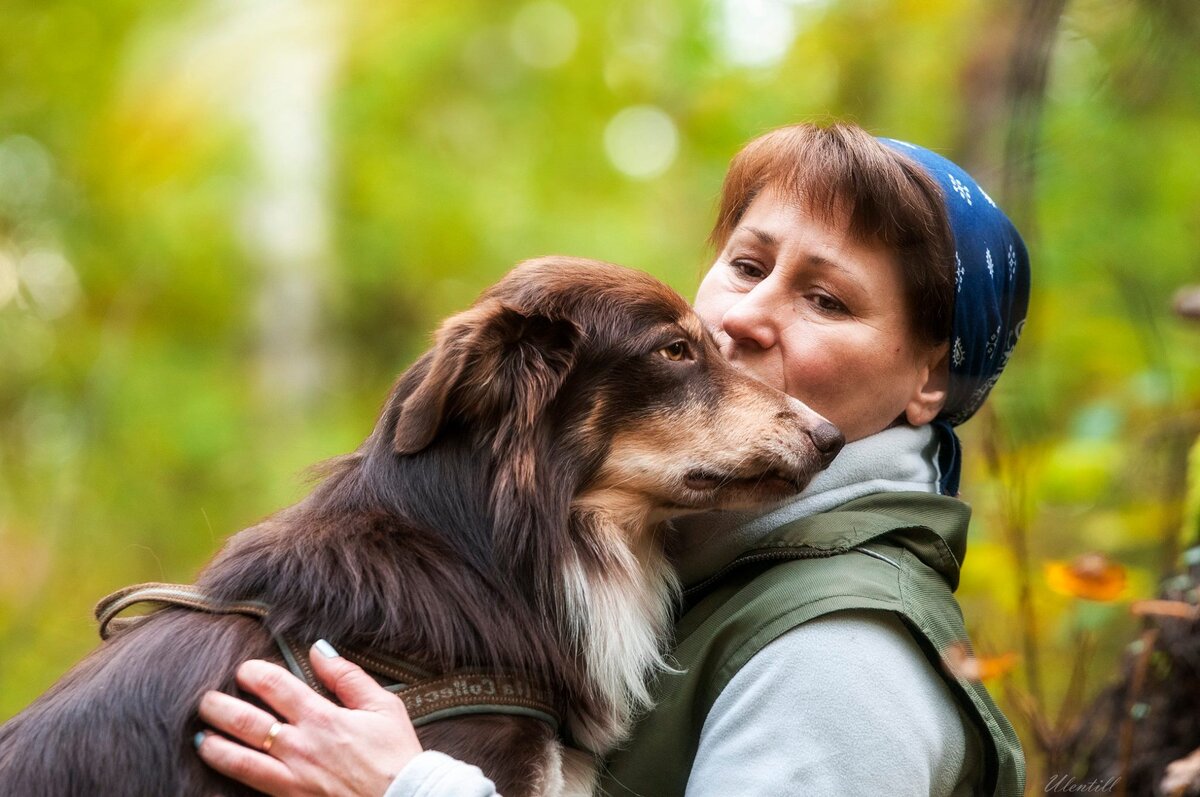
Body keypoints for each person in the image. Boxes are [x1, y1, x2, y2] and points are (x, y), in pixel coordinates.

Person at [193, 122, 1030, 796]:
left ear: (928, 379)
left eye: (826, 298)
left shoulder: (843, 659)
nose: (743, 318)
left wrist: (411, 787)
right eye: (745, 264)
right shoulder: (687, 564)